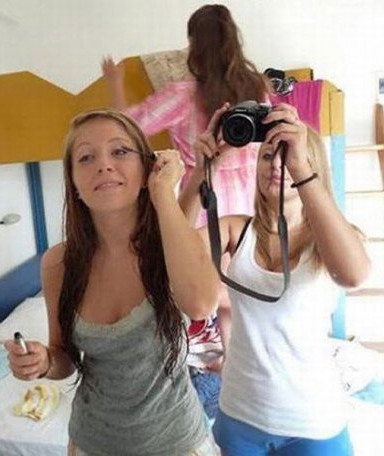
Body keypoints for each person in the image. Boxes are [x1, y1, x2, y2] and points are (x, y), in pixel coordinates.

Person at [4, 109, 221, 456]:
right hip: (91, 443)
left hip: (177, 442)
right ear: (74, 184)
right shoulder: (59, 263)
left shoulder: (171, 244)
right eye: (86, 158)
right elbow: (64, 357)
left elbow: (201, 304)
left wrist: (163, 191)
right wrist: (43, 361)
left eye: (120, 151)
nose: (104, 165)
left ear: (146, 168)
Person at [102, 4, 269, 420]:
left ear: (194, 46)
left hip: (202, 208)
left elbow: (128, 125)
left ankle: (201, 368)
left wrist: (115, 83)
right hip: (250, 209)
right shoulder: (259, 90)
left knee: (204, 296)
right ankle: (235, 368)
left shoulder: (184, 94)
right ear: (234, 40)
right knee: (235, 297)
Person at [187, 102, 371, 456]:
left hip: (314, 420)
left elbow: (354, 274)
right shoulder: (236, 230)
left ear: (310, 164)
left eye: (287, 155)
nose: (275, 165)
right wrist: (203, 171)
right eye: (268, 155)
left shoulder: (332, 238)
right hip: (239, 413)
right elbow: (169, 251)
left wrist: (301, 169)